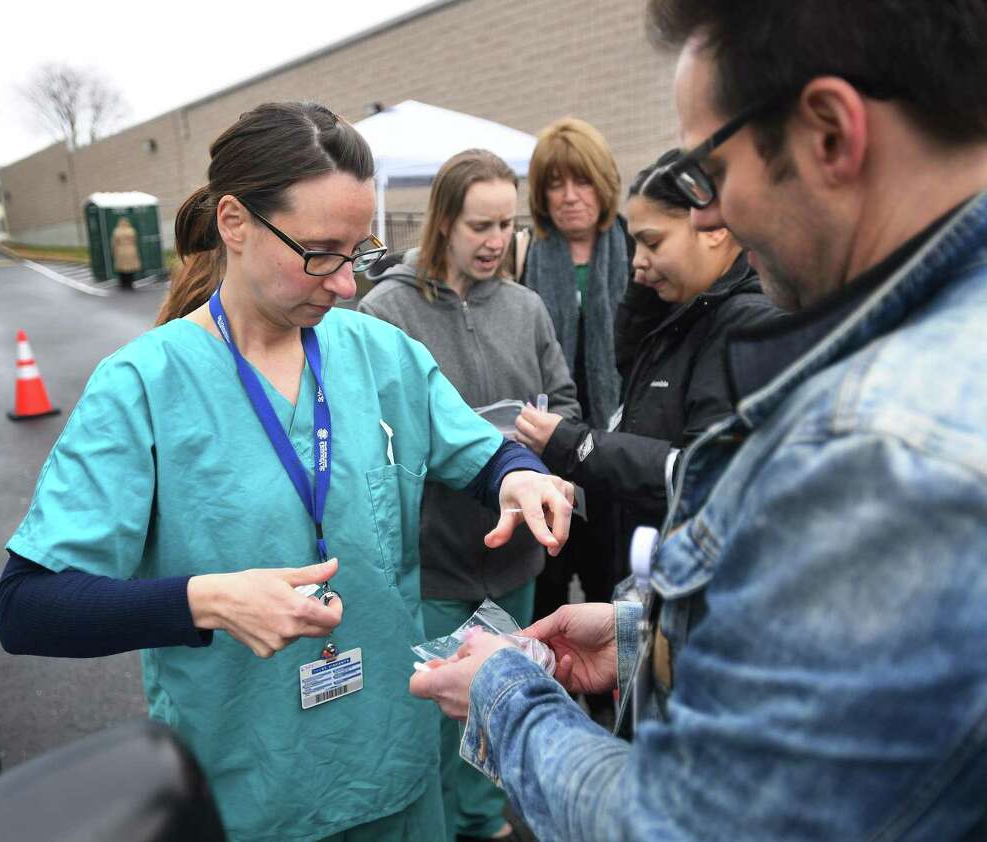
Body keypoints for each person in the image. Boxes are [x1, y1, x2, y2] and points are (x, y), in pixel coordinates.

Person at [410, 0, 987, 838]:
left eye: (707, 174)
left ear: (829, 133)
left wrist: (507, 696)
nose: (710, 219)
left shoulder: (880, 449)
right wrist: (656, 633)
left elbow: (682, 825)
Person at [0, 102, 574, 842]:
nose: (342, 285)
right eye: (320, 251)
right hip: (247, 796)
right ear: (234, 223)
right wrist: (206, 601)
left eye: (357, 252)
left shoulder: (378, 354)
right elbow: (28, 604)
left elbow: (482, 450)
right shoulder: (144, 385)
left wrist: (518, 475)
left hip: (393, 775)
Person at [359, 149, 579, 842]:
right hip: (430, 562)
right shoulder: (383, 312)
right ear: (443, 221)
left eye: (505, 225)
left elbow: (565, 402)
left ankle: (487, 826)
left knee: (493, 706)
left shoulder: (527, 306)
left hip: (514, 563)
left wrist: (545, 457)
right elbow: (370, 441)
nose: (494, 241)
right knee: (424, 719)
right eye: (480, 224)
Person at [514, 148, 779, 599]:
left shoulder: (742, 327)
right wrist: (645, 297)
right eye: (635, 244)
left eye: (652, 243)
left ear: (713, 228)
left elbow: (694, 472)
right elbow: (638, 392)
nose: (637, 262)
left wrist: (575, 444)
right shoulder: (684, 314)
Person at [520, 118, 635, 627]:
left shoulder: (635, 247)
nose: (569, 197)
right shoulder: (525, 254)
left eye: (581, 181)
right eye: (555, 184)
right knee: (545, 585)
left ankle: (612, 700)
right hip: (546, 452)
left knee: (611, 583)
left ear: (604, 183)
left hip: (617, 450)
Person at [110, 216, 141, 288]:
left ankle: (123, 283)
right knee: (130, 268)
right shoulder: (131, 231)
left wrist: (113, 251)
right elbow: (135, 240)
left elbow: (114, 243)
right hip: (131, 250)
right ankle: (130, 283)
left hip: (120, 251)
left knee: (122, 268)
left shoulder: (117, 231)